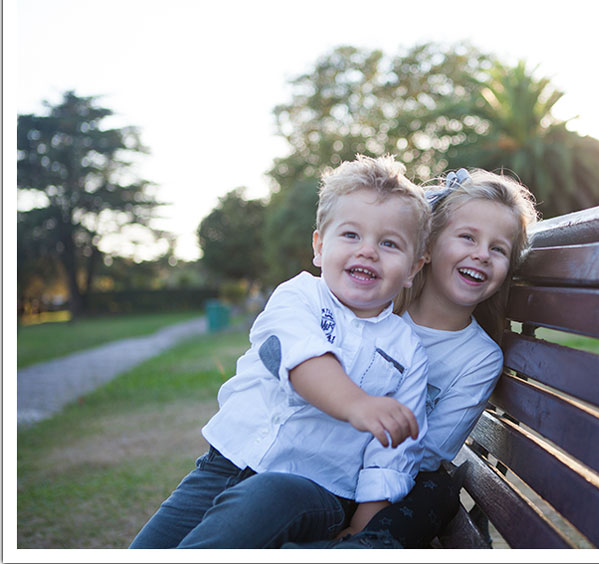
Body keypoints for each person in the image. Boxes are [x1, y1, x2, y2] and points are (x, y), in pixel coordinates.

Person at [129, 154, 433, 548]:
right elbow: (302, 358)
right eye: (351, 235)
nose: (368, 251)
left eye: (389, 243)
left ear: (413, 267)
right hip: (224, 465)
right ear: (319, 247)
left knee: (266, 495)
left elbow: (393, 454)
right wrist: (357, 404)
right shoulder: (298, 296)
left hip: (314, 492)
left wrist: (363, 525)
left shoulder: (408, 351)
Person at [286, 167, 538, 549]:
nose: (481, 255)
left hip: (394, 479)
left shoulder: (480, 358)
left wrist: (375, 475)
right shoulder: (376, 309)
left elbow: (431, 450)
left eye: (498, 249)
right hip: (321, 461)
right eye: (468, 237)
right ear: (429, 247)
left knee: (436, 490)